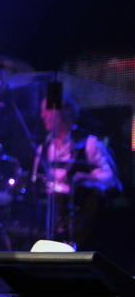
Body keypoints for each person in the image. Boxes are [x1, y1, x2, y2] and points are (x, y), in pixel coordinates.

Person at [32, 93, 121, 249]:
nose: (43, 115)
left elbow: (111, 180)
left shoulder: (90, 144)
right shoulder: (43, 148)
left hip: (81, 226)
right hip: (47, 224)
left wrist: (87, 178)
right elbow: (34, 182)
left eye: (47, 110)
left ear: (65, 112)